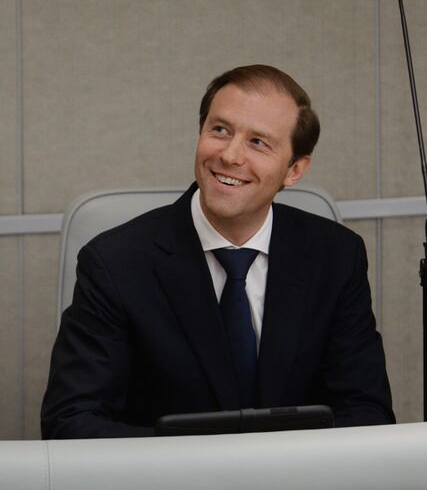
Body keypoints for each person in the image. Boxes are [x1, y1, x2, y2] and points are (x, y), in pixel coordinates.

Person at [41, 65, 395, 438]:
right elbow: (71, 423)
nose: (230, 155)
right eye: (220, 130)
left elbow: (366, 411)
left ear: (294, 170)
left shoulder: (337, 256)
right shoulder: (114, 262)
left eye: (258, 142)